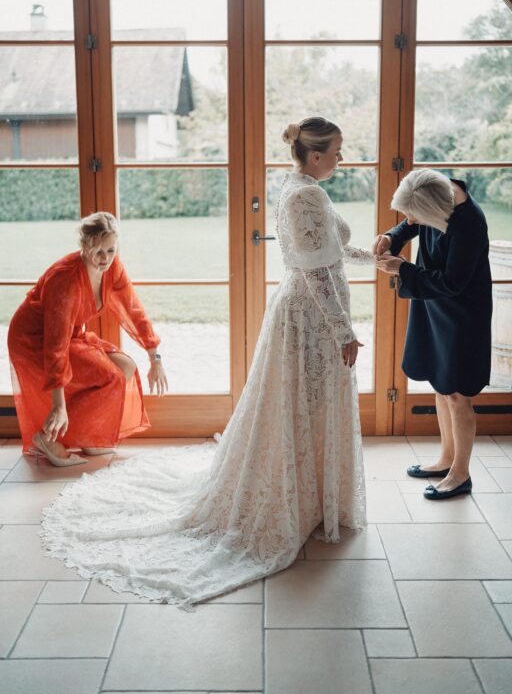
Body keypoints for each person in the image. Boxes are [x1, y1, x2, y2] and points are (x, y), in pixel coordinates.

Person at [39, 117, 374, 606]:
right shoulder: (306, 195)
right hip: (311, 321)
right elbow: (316, 270)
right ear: (316, 154)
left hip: (310, 316)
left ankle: (313, 497)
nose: (343, 158)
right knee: (305, 405)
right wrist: (344, 330)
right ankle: (299, 501)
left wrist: (376, 257)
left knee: (309, 406)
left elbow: (333, 250)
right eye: (338, 151)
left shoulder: (301, 188)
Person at [8, 212, 168, 467]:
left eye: (111, 250)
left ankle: (84, 435)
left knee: (126, 367)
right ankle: (47, 438)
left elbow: (133, 309)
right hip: (34, 339)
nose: (105, 259)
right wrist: (58, 404)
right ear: (84, 246)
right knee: (110, 375)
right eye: (98, 251)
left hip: (72, 334)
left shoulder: (112, 267)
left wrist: (154, 355)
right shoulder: (66, 280)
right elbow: (55, 346)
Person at [375, 168, 492, 500]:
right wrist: (391, 237)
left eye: (415, 214)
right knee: (441, 386)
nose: (410, 219)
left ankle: (461, 473)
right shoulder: (437, 190)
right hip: (433, 301)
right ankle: (444, 459)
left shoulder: (469, 223)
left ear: (436, 209)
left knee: (458, 393)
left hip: (462, 312)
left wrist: (404, 270)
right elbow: (411, 222)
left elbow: (454, 283)